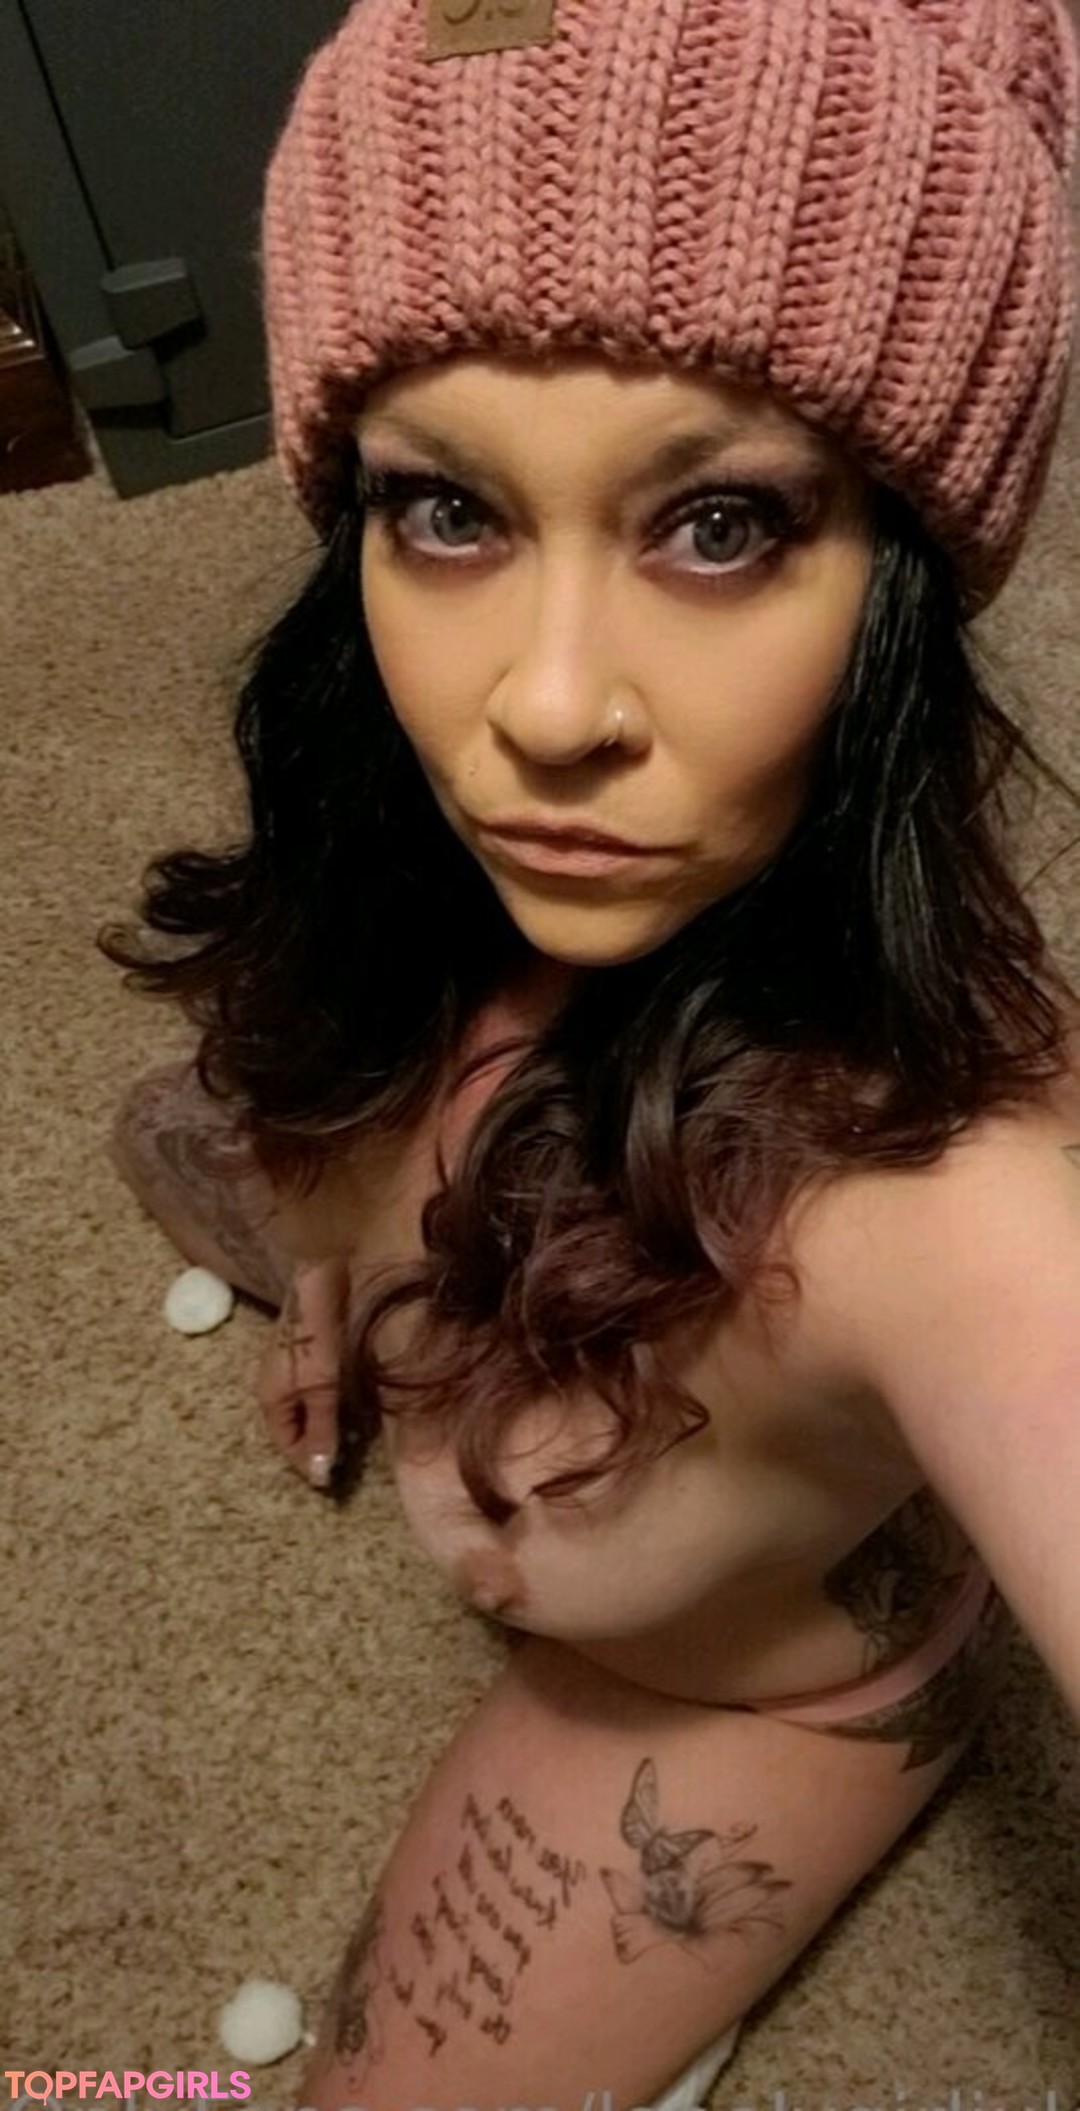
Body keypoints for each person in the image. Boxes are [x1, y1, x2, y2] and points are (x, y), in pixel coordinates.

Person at [100, 0, 1080, 2104]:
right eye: (446, 510)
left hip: (723, 1693)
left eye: (719, 525)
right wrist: (360, 1270)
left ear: (902, 588)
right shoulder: (414, 863)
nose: (544, 709)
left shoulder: (942, 1204)